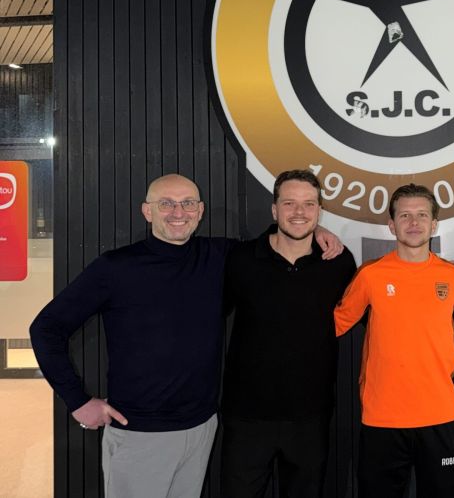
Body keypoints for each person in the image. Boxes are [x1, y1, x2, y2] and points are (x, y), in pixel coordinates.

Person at [29, 173, 342, 498]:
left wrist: (315, 231)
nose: (178, 212)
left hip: (201, 428)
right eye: (166, 204)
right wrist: (78, 402)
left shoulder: (220, 255)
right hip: (140, 431)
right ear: (147, 211)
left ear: (200, 210)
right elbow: (45, 328)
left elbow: (279, 242)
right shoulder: (115, 267)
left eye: (188, 203)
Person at [334, 183, 454, 498]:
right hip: (382, 417)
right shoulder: (370, 275)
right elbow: (335, 325)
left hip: (439, 415)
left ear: (434, 225)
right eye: (405, 216)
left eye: (422, 215)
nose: (414, 222)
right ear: (391, 225)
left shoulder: (453, 276)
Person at [220, 169, 356, 498]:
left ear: (319, 211)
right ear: (274, 209)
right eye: (289, 203)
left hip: (310, 418)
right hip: (247, 417)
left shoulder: (338, 262)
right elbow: (210, 316)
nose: (299, 212)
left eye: (309, 204)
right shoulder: (240, 259)